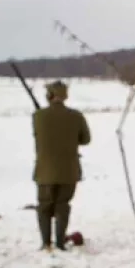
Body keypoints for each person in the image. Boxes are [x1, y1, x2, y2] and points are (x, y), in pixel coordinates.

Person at [33, 80, 91, 251]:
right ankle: (59, 242)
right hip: (69, 171)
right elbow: (86, 139)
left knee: (44, 206)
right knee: (62, 205)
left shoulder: (38, 116)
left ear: (49, 95)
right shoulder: (76, 116)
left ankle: (45, 242)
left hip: (45, 172)